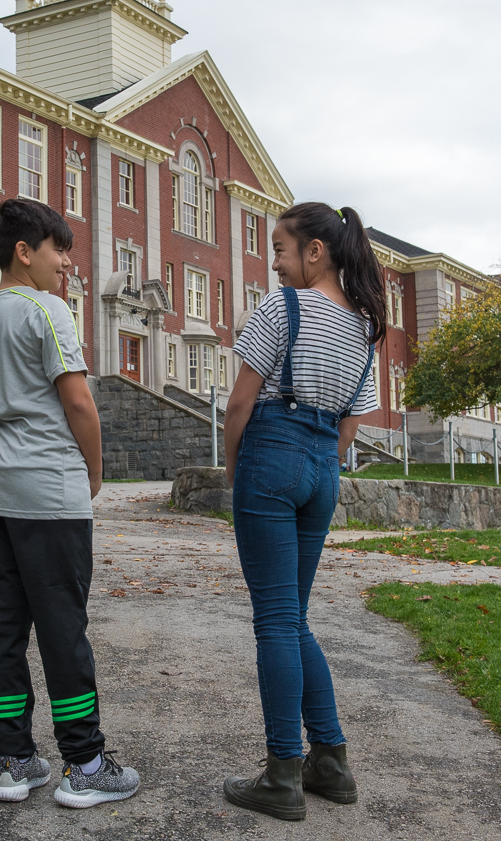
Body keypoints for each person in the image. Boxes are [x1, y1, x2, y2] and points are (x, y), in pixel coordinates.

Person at [0, 198, 141, 809]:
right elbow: (79, 405)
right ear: (25, 251)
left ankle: (15, 763)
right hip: (49, 491)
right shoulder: (49, 311)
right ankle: (85, 764)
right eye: (58, 249)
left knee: (6, 629)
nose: (66, 263)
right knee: (64, 630)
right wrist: (93, 473)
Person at [220, 202, 386, 821]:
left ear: (315, 251)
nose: (276, 263)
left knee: (274, 621)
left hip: (272, 455)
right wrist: (319, 464)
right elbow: (349, 425)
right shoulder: (363, 326)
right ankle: (332, 762)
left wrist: (237, 472)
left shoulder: (282, 309)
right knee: (294, 617)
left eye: (281, 250)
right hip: (323, 468)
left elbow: (240, 404)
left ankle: (283, 774)